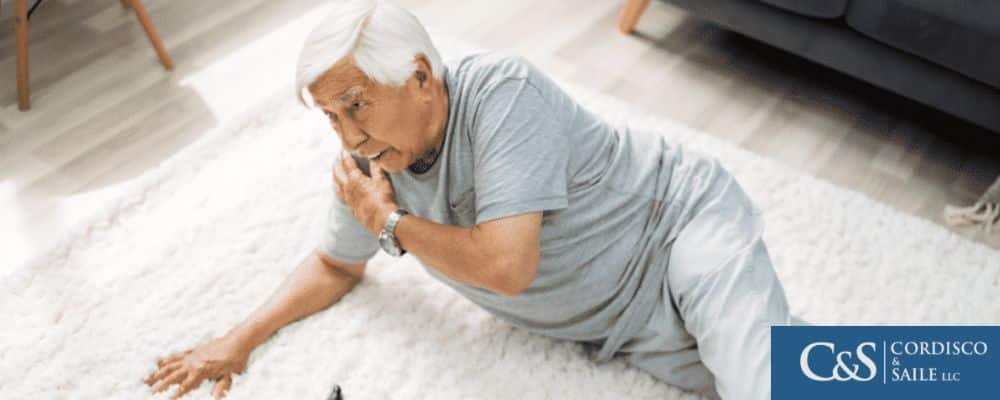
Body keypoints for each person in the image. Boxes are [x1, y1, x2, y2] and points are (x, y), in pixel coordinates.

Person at [144, 0, 793, 399]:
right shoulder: (367, 166)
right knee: (817, 375)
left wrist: (391, 223)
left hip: (676, 230)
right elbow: (336, 264)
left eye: (356, 105)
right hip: (623, 326)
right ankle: (898, 364)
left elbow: (508, 267)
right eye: (331, 117)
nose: (348, 134)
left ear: (421, 76)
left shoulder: (501, 92)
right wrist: (238, 339)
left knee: (763, 386)